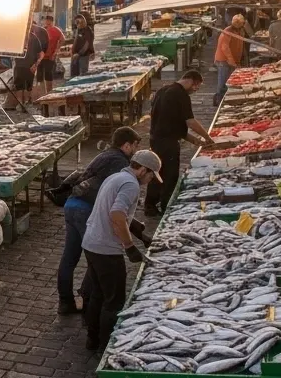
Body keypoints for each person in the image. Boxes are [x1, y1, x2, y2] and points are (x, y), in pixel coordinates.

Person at [81, 150, 163, 350]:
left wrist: (138, 232)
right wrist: (129, 246)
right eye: (151, 175)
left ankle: (92, 339)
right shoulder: (130, 184)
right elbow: (117, 214)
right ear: (142, 170)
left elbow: (116, 212)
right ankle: (106, 346)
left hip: (91, 243)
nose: (151, 180)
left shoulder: (115, 177)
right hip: (106, 250)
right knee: (114, 301)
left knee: (98, 294)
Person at [56, 126, 140, 315]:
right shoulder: (120, 163)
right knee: (96, 255)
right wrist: (132, 238)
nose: (135, 151)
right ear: (126, 145)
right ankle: (88, 300)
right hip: (85, 208)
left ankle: (65, 302)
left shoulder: (105, 154)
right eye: (135, 145)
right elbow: (116, 207)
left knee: (70, 257)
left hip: (72, 204)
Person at [144, 70, 213, 216]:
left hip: (156, 138)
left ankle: (150, 205)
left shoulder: (163, 90)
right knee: (170, 175)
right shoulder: (181, 95)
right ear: (190, 80)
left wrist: (196, 141)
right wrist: (207, 137)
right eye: (196, 86)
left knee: (156, 171)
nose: (195, 90)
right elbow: (190, 122)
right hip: (168, 142)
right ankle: (166, 207)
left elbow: (174, 124)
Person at [213, 14, 246, 106]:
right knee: (223, 82)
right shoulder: (227, 31)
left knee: (228, 81)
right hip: (223, 60)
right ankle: (219, 101)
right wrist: (232, 61)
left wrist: (237, 60)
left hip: (232, 60)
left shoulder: (239, 31)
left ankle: (225, 100)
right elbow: (225, 48)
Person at [40, 14, 64, 93]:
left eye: (49, 20)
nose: (47, 22)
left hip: (50, 57)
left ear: (52, 21)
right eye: (46, 20)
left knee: (48, 76)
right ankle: (43, 94)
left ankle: (49, 93)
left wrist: (56, 50)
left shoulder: (56, 30)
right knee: (40, 77)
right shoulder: (42, 30)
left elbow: (62, 39)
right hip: (41, 57)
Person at [71, 12, 95, 77]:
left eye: (78, 23)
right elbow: (76, 41)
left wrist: (79, 54)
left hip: (83, 55)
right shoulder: (78, 30)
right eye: (76, 23)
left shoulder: (88, 30)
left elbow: (87, 44)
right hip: (75, 55)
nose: (77, 25)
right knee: (74, 73)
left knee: (83, 74)